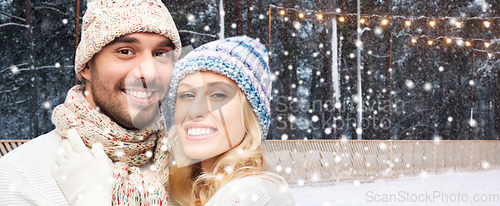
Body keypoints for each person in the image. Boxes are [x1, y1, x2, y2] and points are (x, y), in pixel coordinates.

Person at [53, 36, 297, 206]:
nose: (195, 111)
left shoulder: (248, 194)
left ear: (249, 115)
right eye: (187, 95)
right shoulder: (191, 189)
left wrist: (91, 198)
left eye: (218, 95)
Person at [0, 0, 181, 205]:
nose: (149, 73)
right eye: (125, 51)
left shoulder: (190, 175)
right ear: (86, 66)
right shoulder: (21, 177)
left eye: (160, 54)